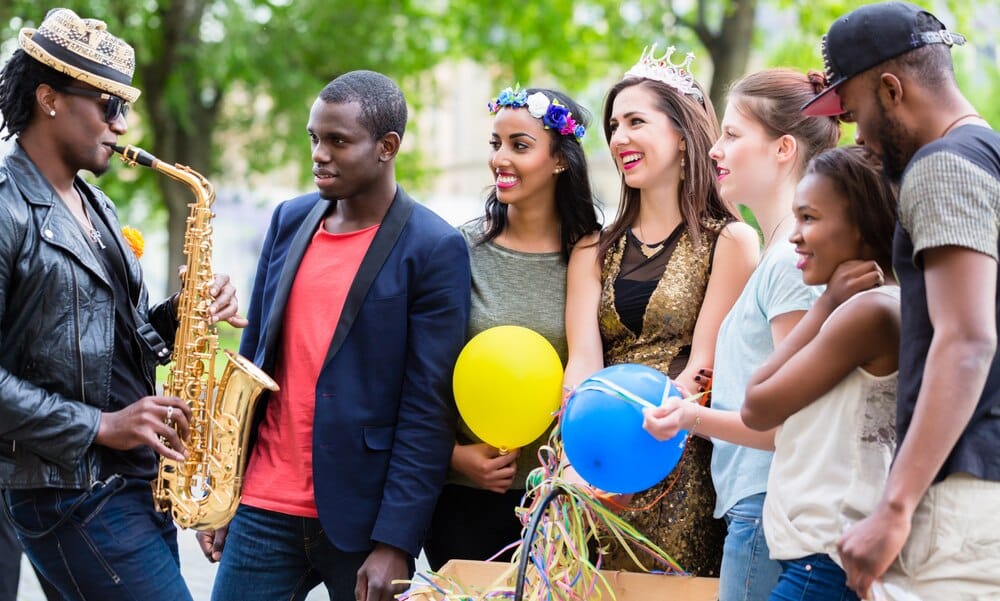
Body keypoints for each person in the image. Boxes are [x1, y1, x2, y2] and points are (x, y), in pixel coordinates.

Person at [198, 70, 471, 601]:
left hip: (362, 520)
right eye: (314, 138)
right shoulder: (289, 219)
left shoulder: (434, 248)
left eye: (337, 141)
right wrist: (225, 495)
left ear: (387, 147)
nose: (319, 154)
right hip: (262, 506)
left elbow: (427, 406)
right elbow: (254, 362)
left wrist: (397, 541)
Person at [0, 8, 244, 600]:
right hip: (70, 493)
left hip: (131, 481)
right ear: (50, 97)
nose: (123, 125)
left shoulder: (96, 204)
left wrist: (183, 312)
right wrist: (103, 425)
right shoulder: (6, 209)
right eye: (110, 105)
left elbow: (116, 337)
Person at [800, 2, 1000, 598]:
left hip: (960, 505)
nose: (858, 136)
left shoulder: (942, 166)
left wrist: (894, 506)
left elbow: (966, 339)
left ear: (891, 90)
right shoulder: (988, 158)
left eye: (856, 112)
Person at [641, 67, 840, 599]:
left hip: (767, 506)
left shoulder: (790, 264)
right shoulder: (780, 254)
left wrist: (691, 417)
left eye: (732, 135)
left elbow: (794, 423)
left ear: (783, 149)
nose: (714, 150)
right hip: (757, 505)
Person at [563, 45, 760, 576]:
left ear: (680, 133)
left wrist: (645, 441)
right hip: (596, 460)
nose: (618, 137)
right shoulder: (591, 251)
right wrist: (578, 458)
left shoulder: (731, 242)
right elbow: (582, 363)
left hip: (680, 459)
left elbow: (705, 366)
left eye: (635, 121)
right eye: (613, 125)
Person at [423, 87, 600, 570]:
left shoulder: (592, 255)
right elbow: (425, 374)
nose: (500, 158)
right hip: (463, 500)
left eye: (519, 145)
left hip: (559, 503)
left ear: (560, 160)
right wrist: (454, 458)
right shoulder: (459, 248)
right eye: (495, 144)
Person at [739, 145, 900, 601]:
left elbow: (757, 405)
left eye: (809, 218)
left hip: (825, 563)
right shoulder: (881, 304)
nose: (795, 235)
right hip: (822, 560)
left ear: (863, 225)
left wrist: (825, 304)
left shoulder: (867, 312)